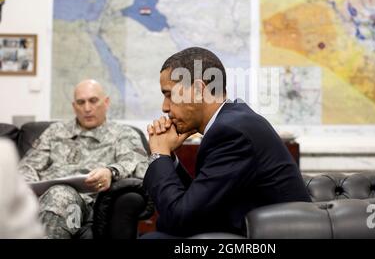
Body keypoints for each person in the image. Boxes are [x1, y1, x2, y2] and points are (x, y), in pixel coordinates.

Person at [142, 47, 311, 238]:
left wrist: (159, 154)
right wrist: (169, 156)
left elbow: (179, 217)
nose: (164, 107)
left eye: (169, 94)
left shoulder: (231, 133)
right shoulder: (233, 122)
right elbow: (194, 206)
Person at [18, 79, 149, 238]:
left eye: (93, 101)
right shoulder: (55, 131)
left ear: (106, 102)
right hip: (39, 198)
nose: (87, 108)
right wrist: (27, 190)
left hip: (84, 202)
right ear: (74, 106)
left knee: (59, 194)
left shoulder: (123, 134)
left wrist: (111, 172)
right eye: (81, 102)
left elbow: (139, 167)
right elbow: (27, 167)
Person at [0, 139, 45, 238]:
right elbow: (29, 165)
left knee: (60, 194)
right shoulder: (56, 130)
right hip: (45, 188)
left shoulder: (4, 152)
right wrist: (28, 185)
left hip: (83, 194)